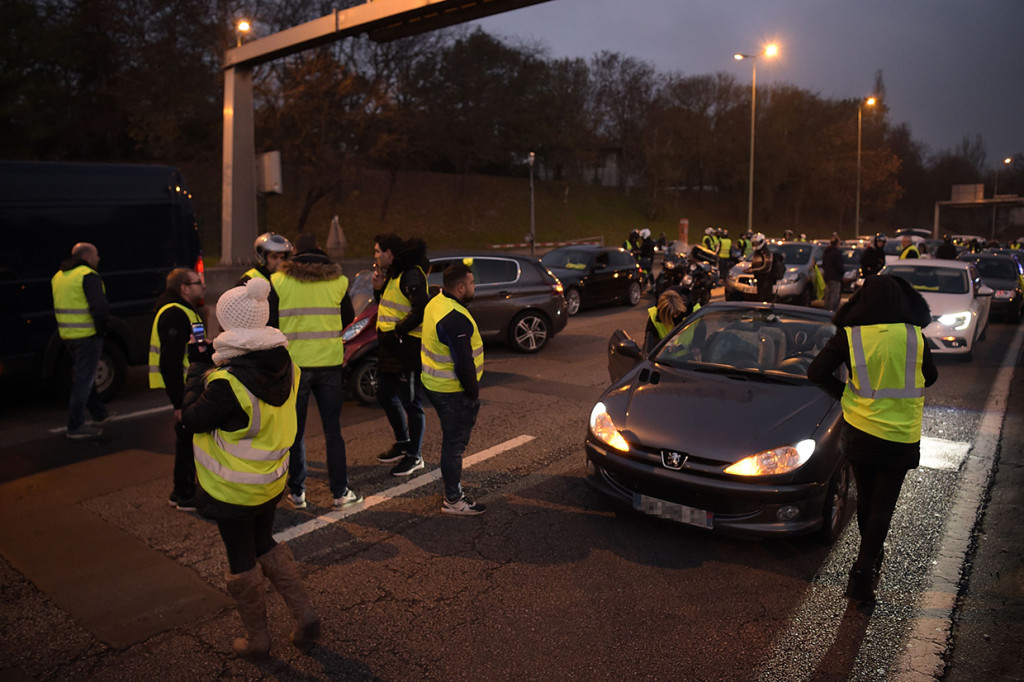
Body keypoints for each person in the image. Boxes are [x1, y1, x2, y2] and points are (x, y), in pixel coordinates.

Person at [181, 278, 320, 659]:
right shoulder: (287, 364)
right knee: (264, 543)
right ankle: (305, 616)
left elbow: (191, 420)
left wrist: (196, 372)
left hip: (232, 490)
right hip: (271, 481)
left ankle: (258, 640)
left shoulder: (227, 382)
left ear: (229, 326)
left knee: (241, 558)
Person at [807, 275, 937, 607]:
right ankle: (863, 573)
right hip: (900, 435)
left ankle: (869, 558)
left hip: (860, 432)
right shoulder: (913, 336)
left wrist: (848, 395)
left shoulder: (850, 336)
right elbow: (931, 376)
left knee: (866, 500)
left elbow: (816, 372)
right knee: (883, 508)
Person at [272, 233, 359, 511]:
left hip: (294, 368)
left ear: (294, 252)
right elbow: (348, 319)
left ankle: (297, 493)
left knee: (294, 433)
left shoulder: (278, 281)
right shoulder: (339, 281)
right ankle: (340, 493)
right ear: (320, 250)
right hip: (329, 365)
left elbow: (272, 323)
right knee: (333, 431)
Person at [420, 262, 486, 515]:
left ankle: (451, 491)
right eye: (470, 283)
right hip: (451, 390)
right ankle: (453, 500)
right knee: (454, 445)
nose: (473, 286)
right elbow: (463, 364)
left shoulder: (436, 302)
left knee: (451, 441)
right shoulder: (455, 319)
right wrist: (472, 393)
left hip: (433, 384)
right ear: (459, 288)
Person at [372, 233, 430, 477]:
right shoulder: (394, 276)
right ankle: (403, 442)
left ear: (390, 253)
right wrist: (377, 290)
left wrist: (397, 332)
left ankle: (414, 456)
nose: (374, 256)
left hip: (407, 348)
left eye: (377, 251)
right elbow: (389, 307)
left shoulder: (411, 275)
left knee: (412, 403)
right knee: (385, 394)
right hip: (390, 348)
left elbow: (421, 309)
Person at [149, 267, 205, 511]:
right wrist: (179, 403)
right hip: (186, 390)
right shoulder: (174, 313)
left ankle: (180, 491)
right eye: (197, 282)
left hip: (190, 388)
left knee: (188, 441)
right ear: (183, 287)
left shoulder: (184, 310)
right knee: (187, 442)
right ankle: (184, 494)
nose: (201, 286)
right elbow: (170, 363)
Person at [51, 242, 109, 439]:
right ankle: (75, 425)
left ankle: (99, 413)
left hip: (68, 335)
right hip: (87, 335)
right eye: (96, 255)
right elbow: (99, 308)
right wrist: (102, 331)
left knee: (85, 375)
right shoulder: (87, 275)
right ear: (87, 257)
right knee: (84, 379)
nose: (98, 259)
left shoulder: (60, 276)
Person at [237, 232, 293, 328]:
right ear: (262, 257)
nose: (279, 262)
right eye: (274, 257)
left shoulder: (284, 280)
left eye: (282, 257)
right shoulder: (248, 280)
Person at [745, 233, 780, 302]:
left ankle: (765, 312)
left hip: (766, 279)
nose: (755, 245)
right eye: (754, 243)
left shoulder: (766, 253)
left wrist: (752, 270)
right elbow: (755, 264)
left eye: (757, 243)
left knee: (764, 299)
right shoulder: (757, 252)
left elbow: (766, 267)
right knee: (759, 298)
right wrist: (749, 269)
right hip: (759, 279)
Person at [821, 235, 845, 312]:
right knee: (834, 296)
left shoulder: (826, 252)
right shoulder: (837, 253)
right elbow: (839, 266)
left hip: (827, 277)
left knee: (827, 296)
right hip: (835, 278)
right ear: (837, 243)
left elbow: (824, 265)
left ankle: (825, 311)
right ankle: (831, 312)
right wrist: (842, 272)